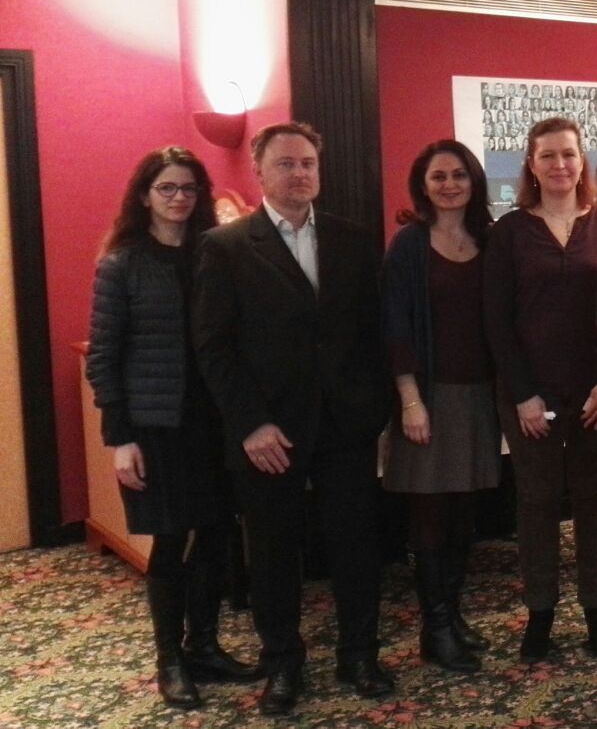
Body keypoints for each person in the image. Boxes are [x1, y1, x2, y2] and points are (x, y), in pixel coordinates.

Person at [192, 122, 393, 716]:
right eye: (286, 163)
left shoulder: (352, 239)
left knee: (357, 547)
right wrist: (249, 424)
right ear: (259, 171)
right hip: (269, 432)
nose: (299, 173)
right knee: (274, 553)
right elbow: (213, 347)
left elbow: (373, 332)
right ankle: (283, 663)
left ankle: (360, 655)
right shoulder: (226, 246)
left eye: (308, 163)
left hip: (346, 424)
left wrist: (375, 409)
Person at [86, 147, 258, 710]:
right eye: (167, 188)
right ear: (145, 195)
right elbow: (103, 358)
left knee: (215, 533)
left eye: (188, 188)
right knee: (170, 538)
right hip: (157, 424)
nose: (179, 198)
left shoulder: (215, 252)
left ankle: (203, 645)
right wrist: (120, 438)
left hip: (215, 420)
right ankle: (170, 659)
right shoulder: (122, 264)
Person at [485, 118, 597, 662]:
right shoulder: (509, 232)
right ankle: (540, 611)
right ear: (532, 165)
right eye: (548, 155)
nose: (560, 164)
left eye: (569, 154)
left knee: (595, 500)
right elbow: (497, 320)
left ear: (582, 161)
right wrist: (523, 393)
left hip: (596, 392)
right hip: (529, 395)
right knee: (537, 501)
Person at [380, 141, 500, 674]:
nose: (449, 185)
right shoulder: (409, 244)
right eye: (438, 177)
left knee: (463, 515)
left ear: (474, 181)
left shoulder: (489, 240)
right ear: (423, 186)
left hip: (479, 396)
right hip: (427, 396)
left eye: (458, 175)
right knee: (430, 515)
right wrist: (410, 400)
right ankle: (435, 628)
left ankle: (452, 614)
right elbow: (395, 326)